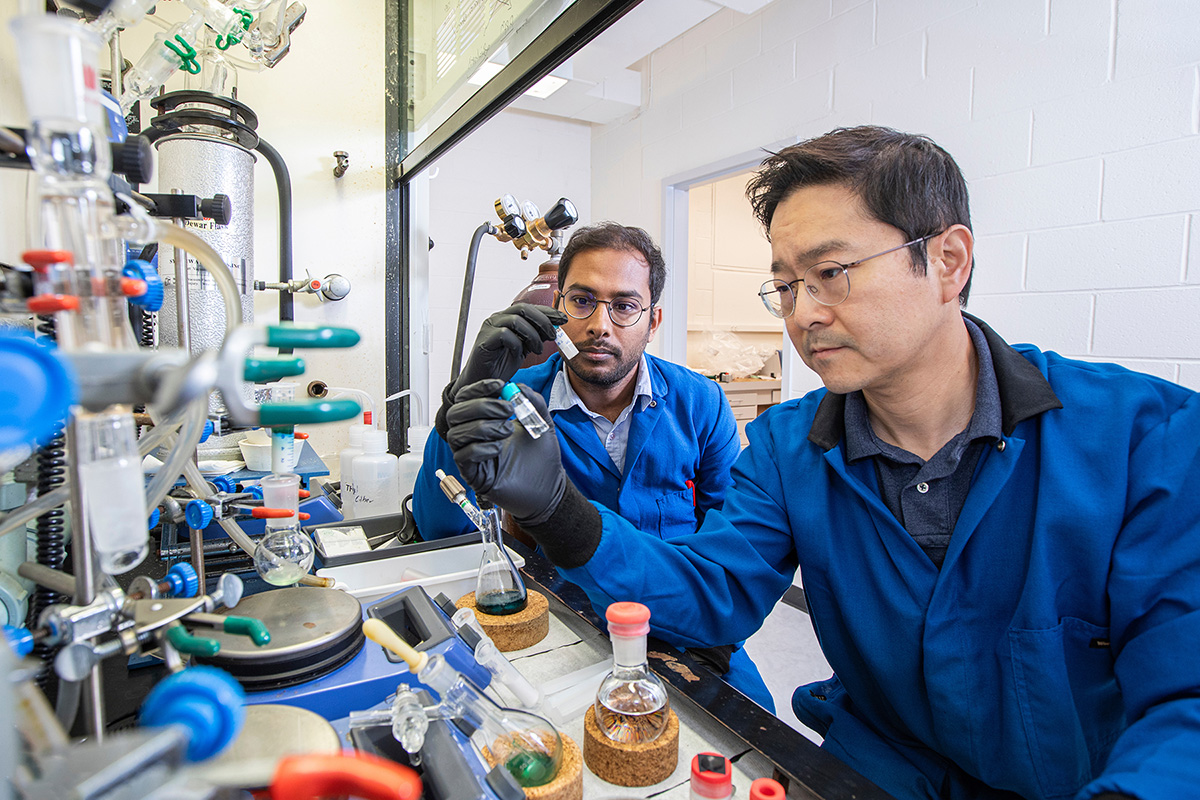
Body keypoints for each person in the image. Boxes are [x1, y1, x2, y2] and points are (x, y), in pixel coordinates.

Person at [440, 127, 1200, 800]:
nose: (803, 313)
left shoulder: (1144, 437)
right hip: (875, 773)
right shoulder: (788, 448)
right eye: (785, 285)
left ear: (948, 261)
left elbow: (1184, 699)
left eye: (831, 273)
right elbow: (715, 593)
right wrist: (560, 514)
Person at [413, 222, 775, 711]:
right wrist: (465, 395)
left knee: (758, 729)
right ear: (557, 305)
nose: (600, 325)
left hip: (681, 627)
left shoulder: (700, 403)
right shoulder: (520, 396)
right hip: (564, 623)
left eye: (625, 306)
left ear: (654, 319)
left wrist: (706, 633)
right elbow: (441, 529)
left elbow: (727, 549)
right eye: (582, 300)